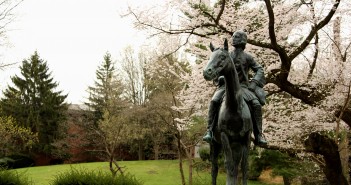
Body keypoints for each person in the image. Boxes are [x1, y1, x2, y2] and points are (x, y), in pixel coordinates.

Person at [203, 30, 267, 146]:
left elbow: (259, 69)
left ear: (243, 41)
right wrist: (220, 79)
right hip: (225, 87)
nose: (234, 39)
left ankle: (258, 134)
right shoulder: (227, 55)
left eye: (237, 37)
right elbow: (219, 67)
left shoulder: (248, 57)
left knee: (256, 105)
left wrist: (254, 83)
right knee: (214, 101)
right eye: (234, 37)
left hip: (244, 88)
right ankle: (210, 130)